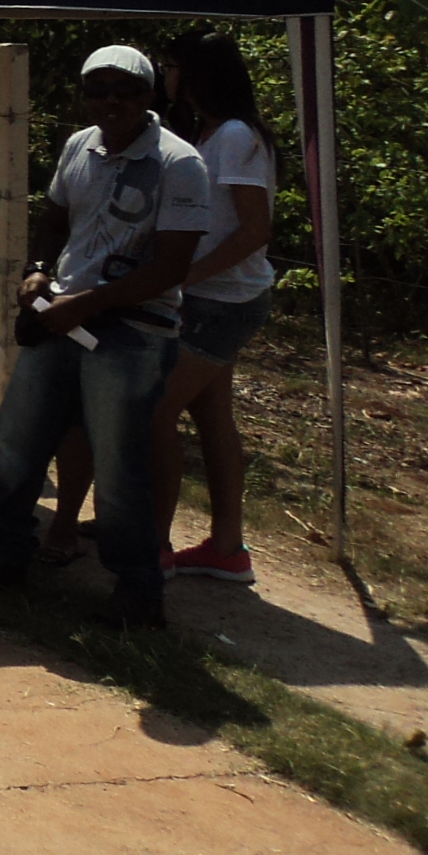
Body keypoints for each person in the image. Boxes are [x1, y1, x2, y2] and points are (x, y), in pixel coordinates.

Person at [0, 46, 207, 626]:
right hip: (63, 316)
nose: (112, 100)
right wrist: (37, 270)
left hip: (132, 331)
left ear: (150, 94)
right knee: (18, 438)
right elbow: (55, 219)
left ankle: (138, 593)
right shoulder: (78, 146)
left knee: (117, 465)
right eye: (98, 89)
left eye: (126, 90)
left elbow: (171, 268)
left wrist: (89, 302)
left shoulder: (179, 164)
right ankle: (4, 558)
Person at [149, 33, 277, 583]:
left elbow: (254, 229)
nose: (164, 74)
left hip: (220, 302)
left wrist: (186, 275)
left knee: (153, 411)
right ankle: (227, 548)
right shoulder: (209, 131)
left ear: (196, 73)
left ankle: (151, 543)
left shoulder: (233, 137)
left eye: (170, 65)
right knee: (211, 416)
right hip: (212, 298)